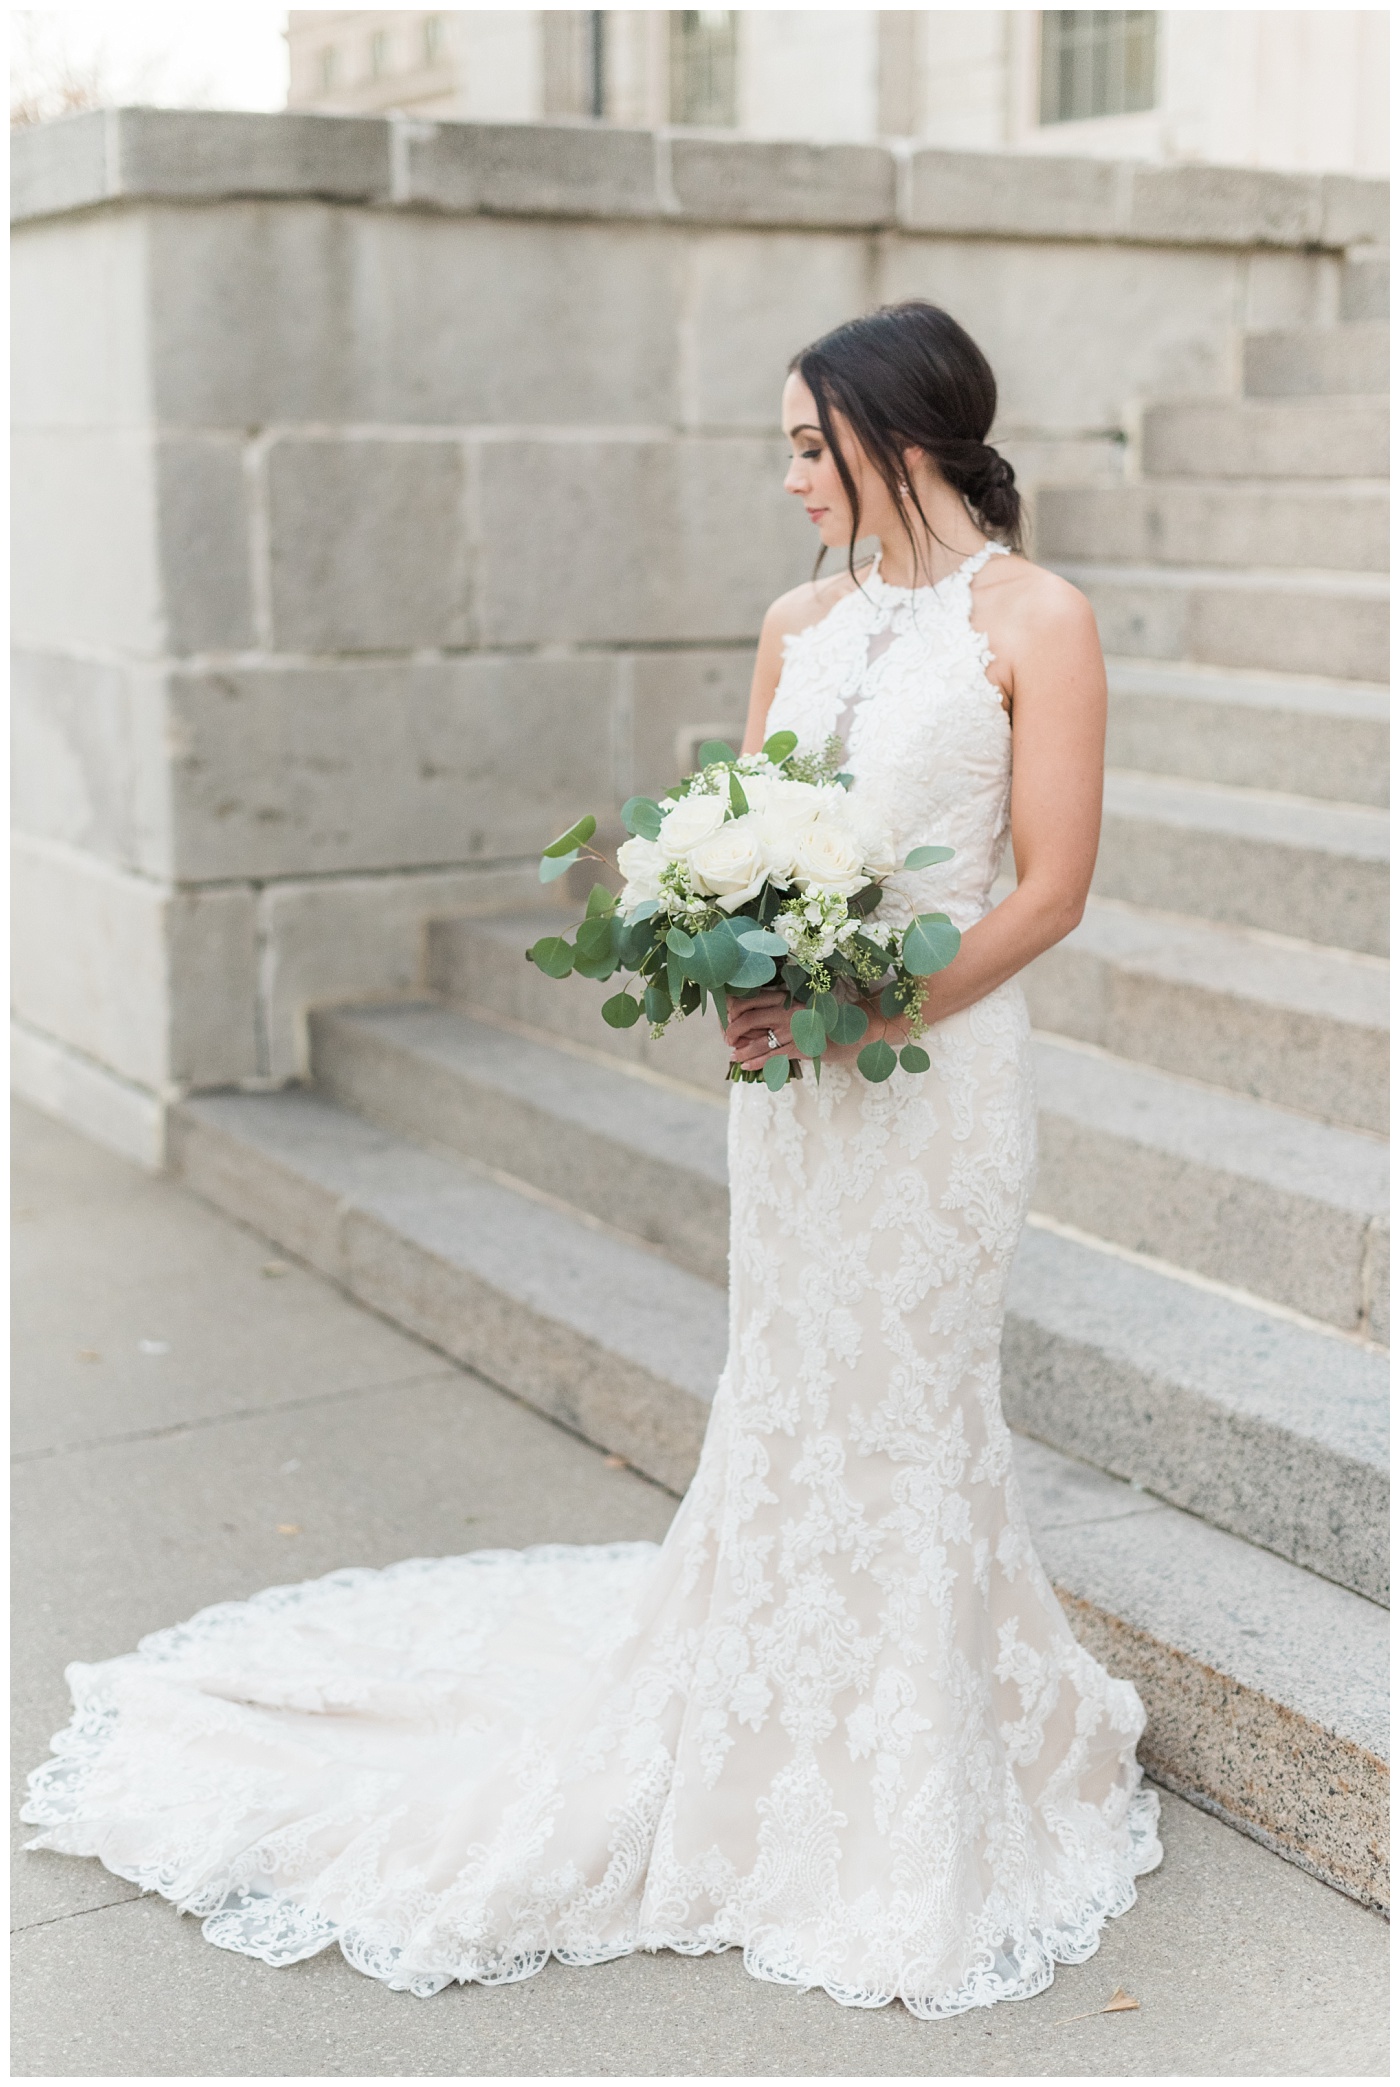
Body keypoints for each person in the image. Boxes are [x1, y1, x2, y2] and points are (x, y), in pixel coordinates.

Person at [23, 300, 1160, 2016]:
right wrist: (752, 975)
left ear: (895, 432)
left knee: (917, 1394)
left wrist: (875, 1013)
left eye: (804, 443)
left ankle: (920, 1755)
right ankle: (767, 1713)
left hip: (939, 1082)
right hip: (798, 1092)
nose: (787, 478)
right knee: (790, 1385)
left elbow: (1047, 888)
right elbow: (766, 841)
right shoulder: (795, 624)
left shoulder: (1039, 619)